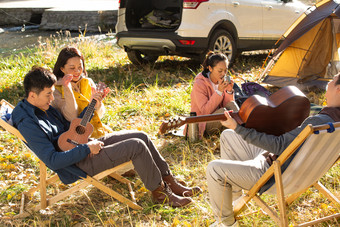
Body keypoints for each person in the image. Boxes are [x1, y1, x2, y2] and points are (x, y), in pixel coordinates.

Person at [12, 66, 202, 208]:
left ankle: (169, 181)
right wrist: (87, 149)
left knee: (141, 135)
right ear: (32, 95)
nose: (52, 99)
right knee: (136, 146)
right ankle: (161, 194)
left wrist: (92, 105)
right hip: (78, 162)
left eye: (52, 93)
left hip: (82, 145)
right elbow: (53, 160)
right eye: (48, 95)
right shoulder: (28, 123)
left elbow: (74, 128)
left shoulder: (42, 107)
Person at [206, 74, 340, 226]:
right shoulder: (334, 122)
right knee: (229, 136)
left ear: (339, 89)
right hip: (306, 173)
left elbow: (278, 145)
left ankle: (227, 223)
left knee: (214, 169)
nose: (327, 84)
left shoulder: (318, 122)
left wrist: (237, 127)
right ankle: (237, 200)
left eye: (332, 81)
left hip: (274, 175)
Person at [52, 46, 110, 139]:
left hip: (98, 131)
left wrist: (98, 104)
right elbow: (71, 118)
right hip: (77, 139)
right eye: (72, 68)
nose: (77, 71)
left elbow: (98, 116)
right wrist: (67, 89)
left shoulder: (88, 82)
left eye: (80, 66)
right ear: (62, 68)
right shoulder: (55, 90)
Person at [189, 51, 239, 138]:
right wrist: (219, 92)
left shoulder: (222, 81)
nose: (223, 74)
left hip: (218, 118)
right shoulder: (200, 84)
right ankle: (239, 132)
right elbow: (205, 111)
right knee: (224, 112)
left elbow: (227, 104)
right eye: (220, 71)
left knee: (232, 105)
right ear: (210, 68)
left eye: (225, 70)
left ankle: (243, 131)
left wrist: (229, 91)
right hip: (203, 124)